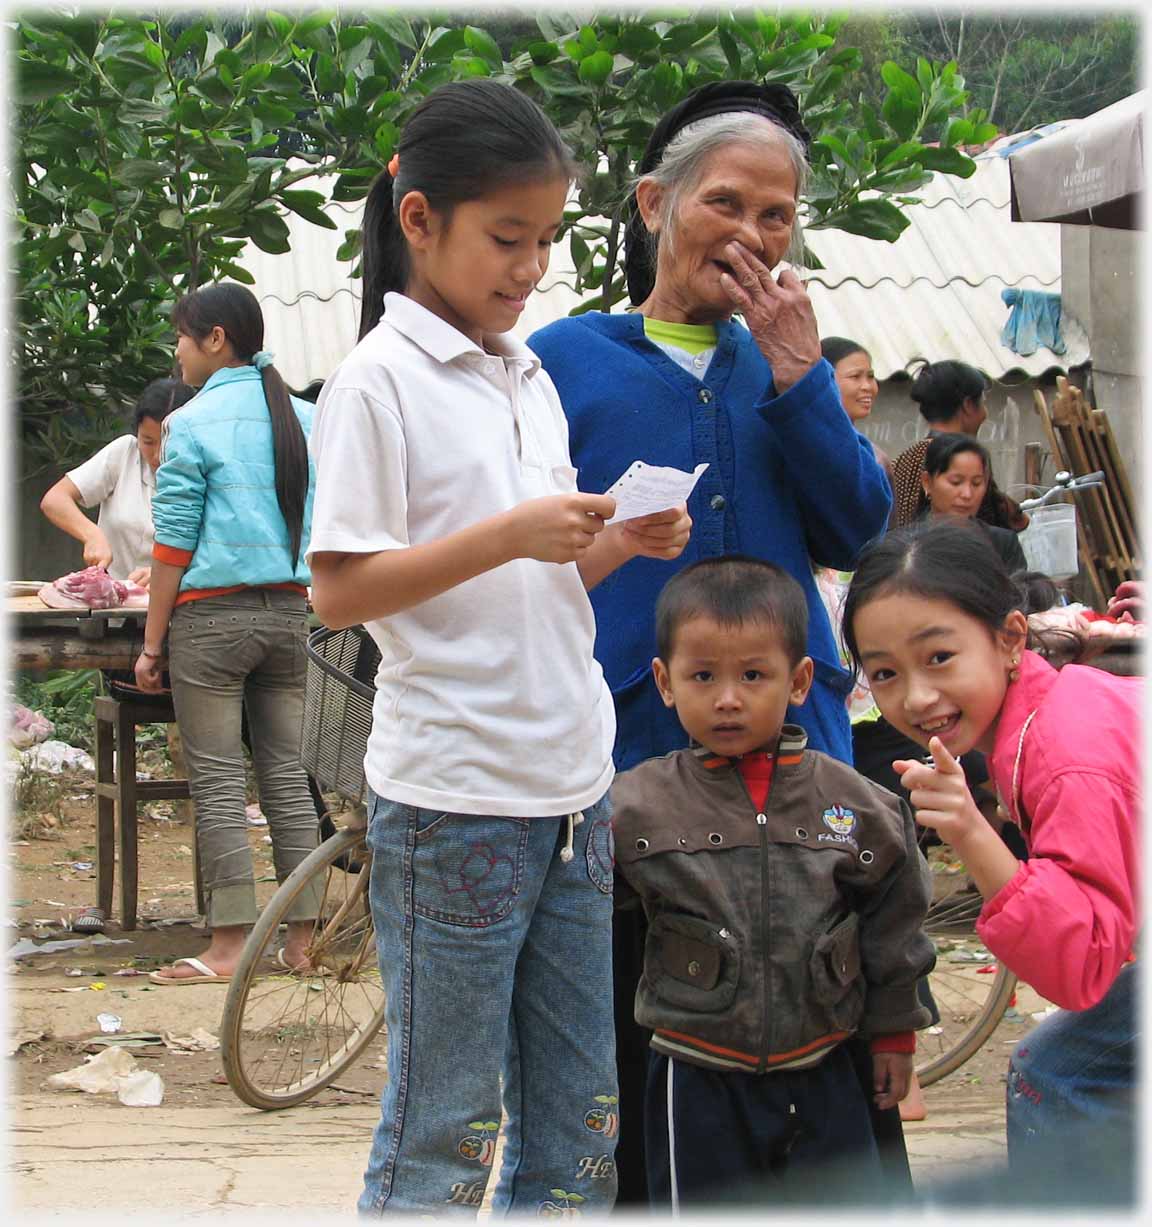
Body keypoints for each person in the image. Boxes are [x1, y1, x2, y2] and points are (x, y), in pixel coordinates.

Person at [304, 79, 691, 1216]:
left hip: (572, 792)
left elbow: (534, 584)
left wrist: (616, 539)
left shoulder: (524, 372)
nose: (529, 268)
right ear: (418, 220)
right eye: (505, 239)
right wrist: (510, 531)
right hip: (454, 803)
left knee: (582, 1129)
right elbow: (340, 593)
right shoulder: (377, 383)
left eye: (547, 241)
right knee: (445, 1130)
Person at [528, 81, 894, 1203]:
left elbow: (858, 526)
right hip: (630, 762)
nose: (751, 234)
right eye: (725, 203)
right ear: (654, 204)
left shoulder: (785, 367)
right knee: (652, 1029)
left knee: (817, 1021)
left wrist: (801, 381)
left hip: (796, 770)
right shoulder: (564, 360)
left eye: (776, 216)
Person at [611, 556, 934, 1208]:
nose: (728, 697)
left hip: (826, 1063)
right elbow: (581, 916)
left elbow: (896, 921)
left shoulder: (858, 805)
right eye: (703, 675)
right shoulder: (632, 805)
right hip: (694, 1070)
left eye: (753, 674)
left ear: (799, 679)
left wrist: (895, 1035)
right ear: (665, 682)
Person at [842, 517, 1140, 1205]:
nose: (915, 696)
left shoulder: (1065, 753)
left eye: (939, 657)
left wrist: (972, 830)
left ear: (1009, 638)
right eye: (885, 672)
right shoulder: (1044, 712)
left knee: (1057, 1069)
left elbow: (1082, 966)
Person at [134, 284, 323, 985]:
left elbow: (173, 547)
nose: (177, 351)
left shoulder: (194, 422)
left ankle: (226, 945)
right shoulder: (305, 416)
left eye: (182, 336)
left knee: (215, 780)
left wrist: (152, 646)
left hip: (212, 622)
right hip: (288, 616)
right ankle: (302, 941)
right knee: (286, 776)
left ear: (215, 338)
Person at [39, 377, 196, 584]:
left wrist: (166, 574)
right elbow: (55, 499)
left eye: (168, 443)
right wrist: (92, 535)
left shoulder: (201, 470)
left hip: (175, 605)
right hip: (113, 603)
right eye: (147, 441)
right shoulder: (124, 453)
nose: (157, 455)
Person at [890, 359, 1026, 531]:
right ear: (968, 405)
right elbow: (1008, 523)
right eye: (983, 403)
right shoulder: (965, 463)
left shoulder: (902, 461)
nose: (985, 413)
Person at [920, 433, 1028, 572]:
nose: (967, 494)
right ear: (927, 483)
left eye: (976, 483)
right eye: (956, 482)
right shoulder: (907, 545)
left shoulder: (1003, 544)